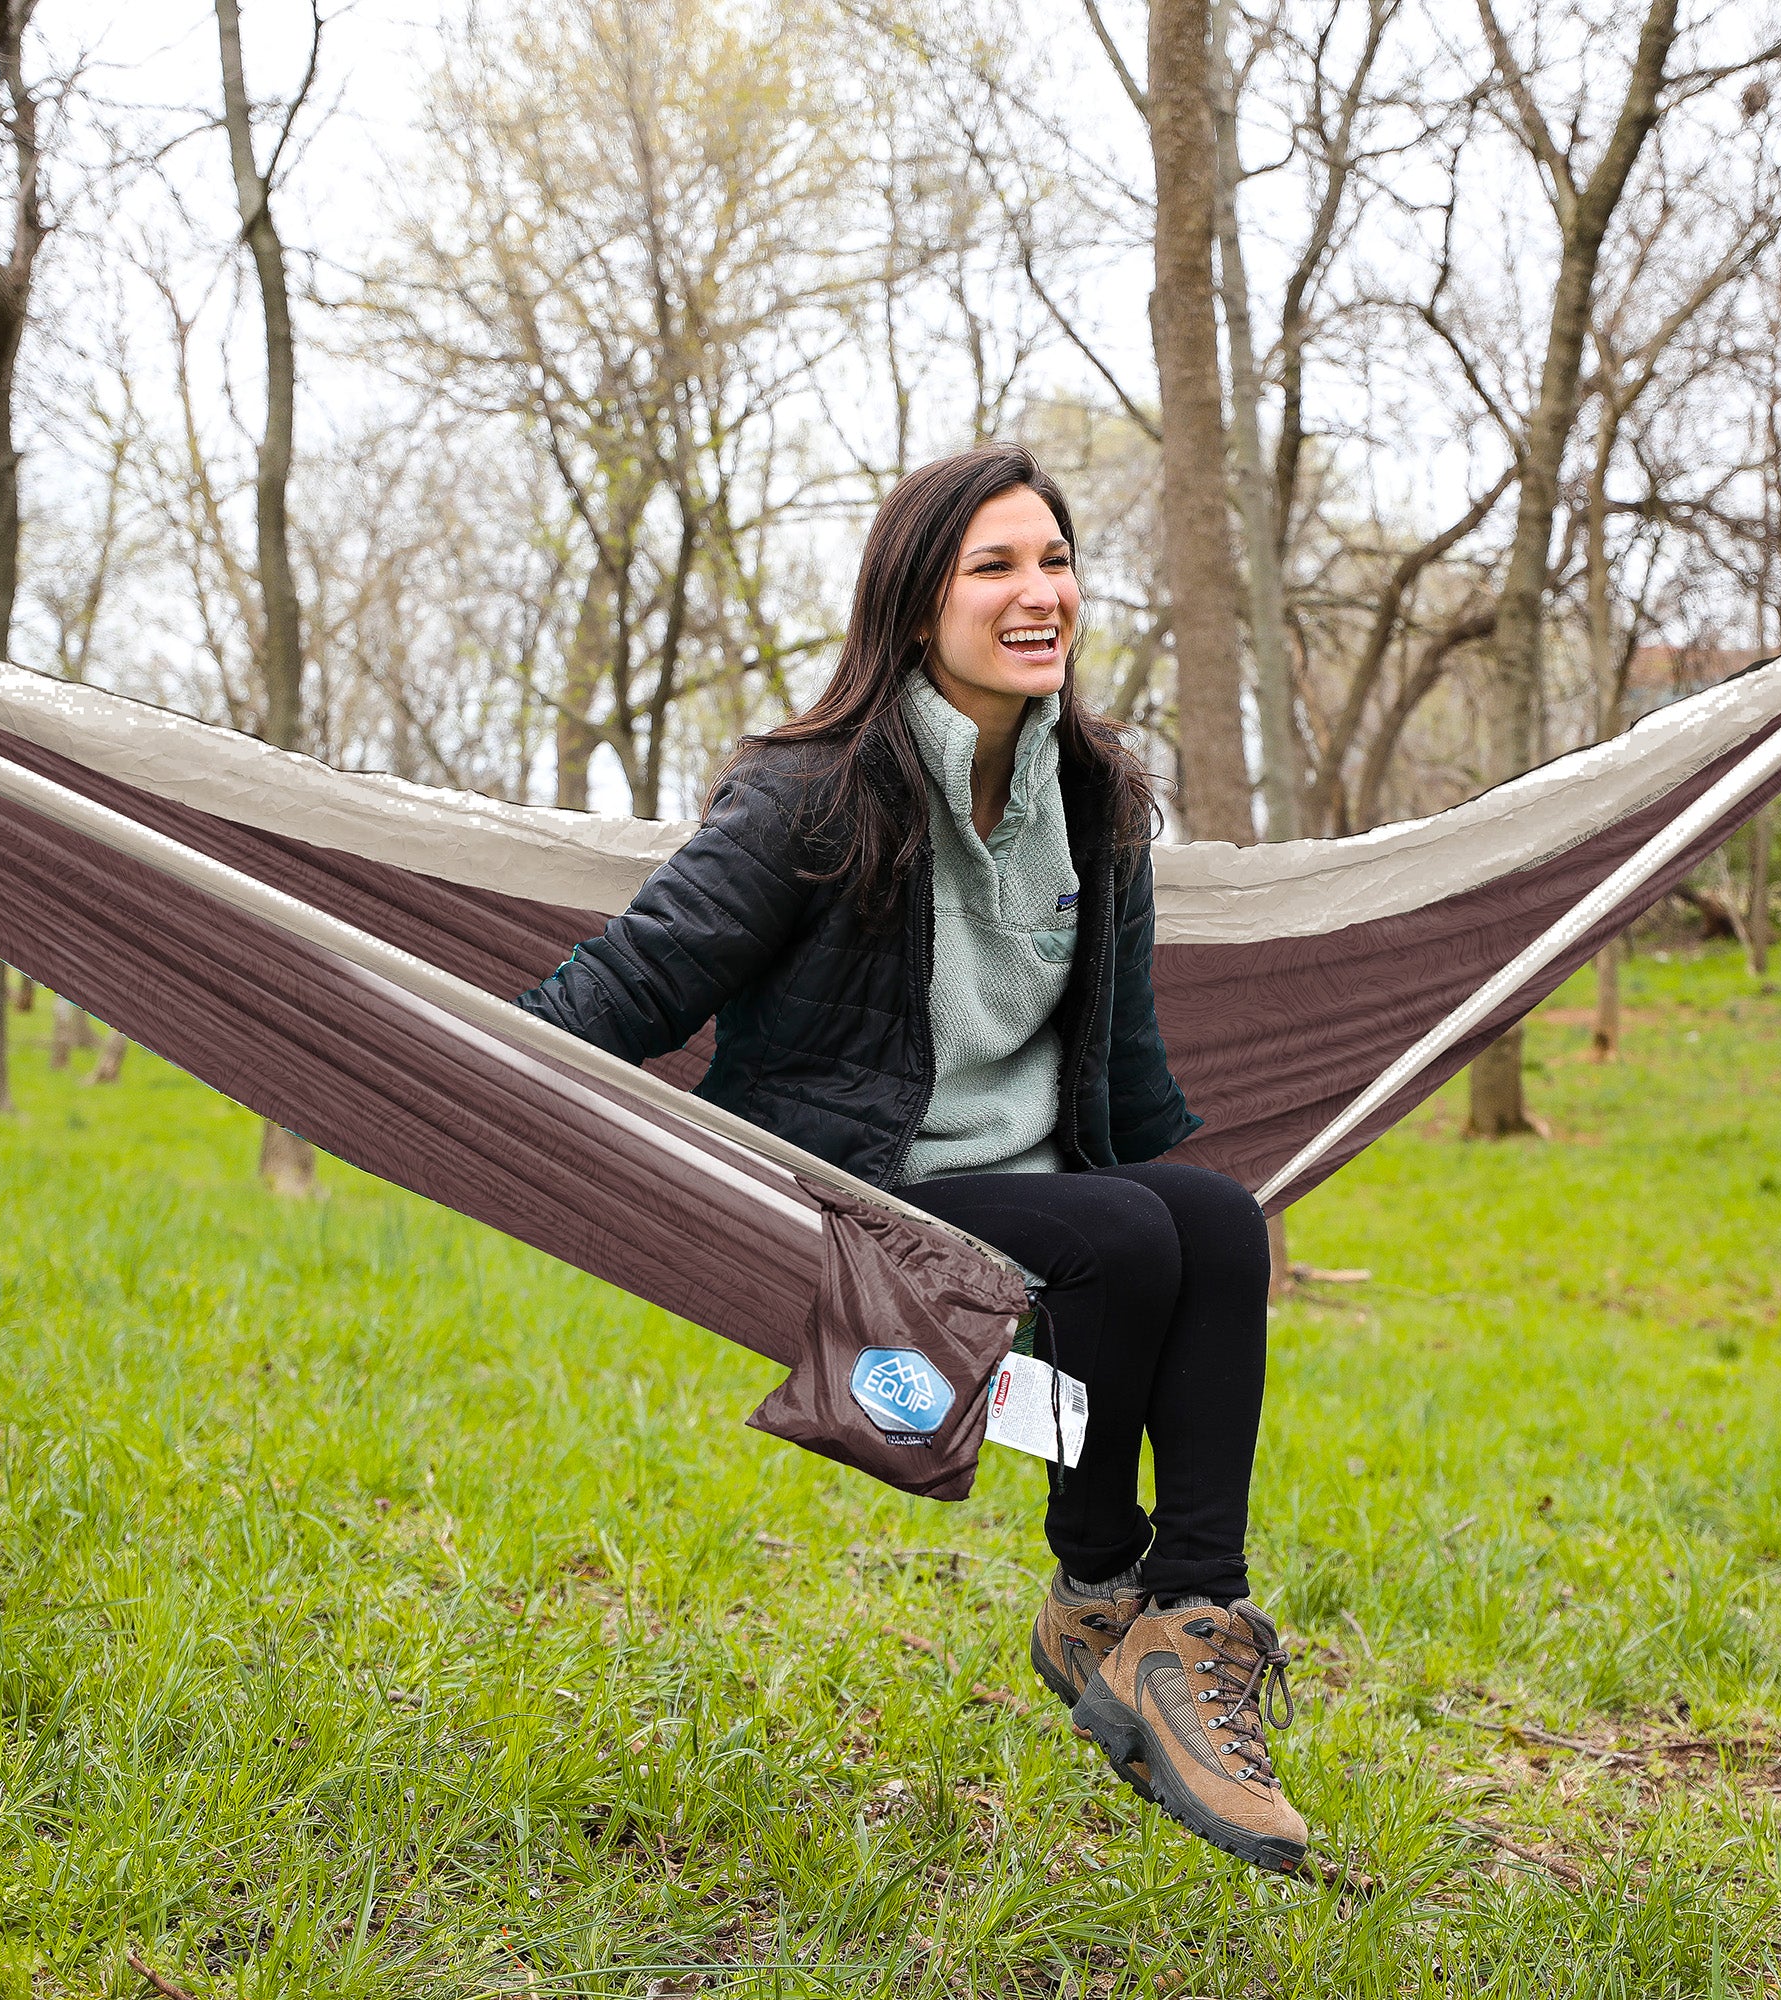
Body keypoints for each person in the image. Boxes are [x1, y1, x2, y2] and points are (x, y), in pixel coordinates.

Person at [519, 443, 1302, 1874]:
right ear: (915, 603)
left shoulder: (1102, 799)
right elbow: (628, 990)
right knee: (1129, 1238)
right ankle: (1095, 1582)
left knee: (1217, 1223)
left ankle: (1186, 1628)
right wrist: (442, 1059)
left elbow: (1115, 1067)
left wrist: (1197, 1216)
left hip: (1035, 1178)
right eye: (993, 566)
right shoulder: (813, 795)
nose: (1038, 592)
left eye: (1054, 561)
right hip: (849, 1184)